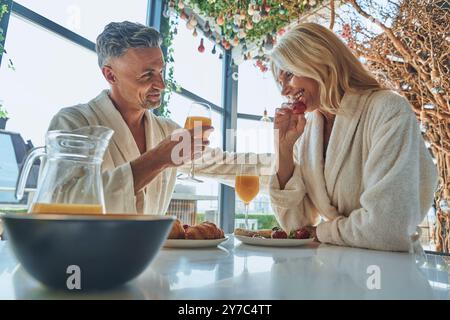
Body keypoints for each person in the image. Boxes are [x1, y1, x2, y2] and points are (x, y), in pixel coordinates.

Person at [47, 21, 272, 215]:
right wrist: (157, 159)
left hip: (151, 260)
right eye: (147, 75)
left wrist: (292, 162)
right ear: (110, 74)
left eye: (161, 72)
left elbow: (223, 164)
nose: (162, 85)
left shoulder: (166, 130)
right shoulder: (74, 123)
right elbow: (64, 202)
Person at [269, 23, 437, 251]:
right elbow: (295, 226)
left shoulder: (388, 110)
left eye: (289, 75)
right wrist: (284, 149)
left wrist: (321, 232)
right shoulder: (307, 133)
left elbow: (387, 227)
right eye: (280, 82)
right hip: (337, 269)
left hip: (388, 273)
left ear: (319, 59)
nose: (284, 91)